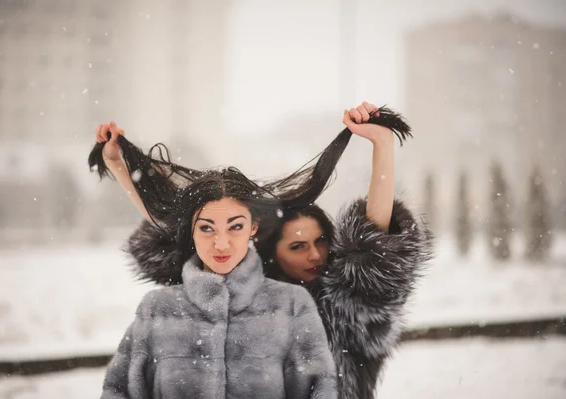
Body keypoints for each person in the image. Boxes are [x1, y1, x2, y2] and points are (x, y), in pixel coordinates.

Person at [92, 101, 432, 399]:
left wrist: (382, 146)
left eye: (321, 241)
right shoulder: (197, 301)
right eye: (297, 245)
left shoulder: (336, 305)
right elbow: (182, 226)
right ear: (267, 246)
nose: (314, 255)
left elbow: (376, 253)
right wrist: (121, 165)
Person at [91, 148, 338, 398]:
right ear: (191, 231)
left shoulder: (292, 305)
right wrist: (116, 162)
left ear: (253, 228)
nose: (221, 243)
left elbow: (320, 391)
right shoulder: (157, 310)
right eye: (207, 228)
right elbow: (119, 391)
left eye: (235, 227)